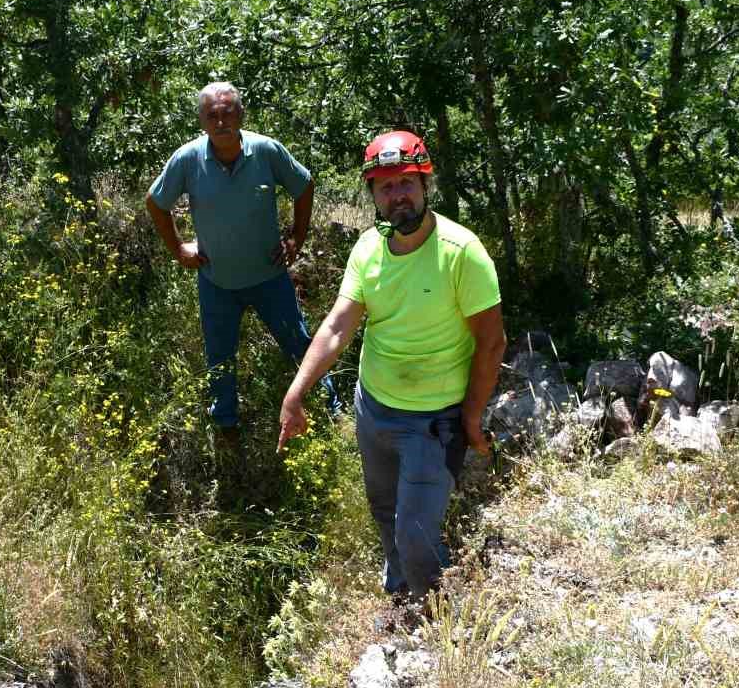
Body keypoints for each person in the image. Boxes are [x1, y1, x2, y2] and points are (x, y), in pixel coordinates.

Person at [277, 130, 506, 601]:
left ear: (425, 185)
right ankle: (402, 595)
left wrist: (471, 418)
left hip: (433, 422)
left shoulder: (461, 253)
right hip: (375, 409)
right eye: (386, 187)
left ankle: (438, 619)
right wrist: (296, 392)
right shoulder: (368, 249)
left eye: (406, 183)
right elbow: (337, 327)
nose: (398, 195)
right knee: (384, 511)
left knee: (416, 538)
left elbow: (491, 343)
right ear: (374, 196)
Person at [146, 82, 335, 442]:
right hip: (216, 282)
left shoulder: (265, 150)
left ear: (241, 115)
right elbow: (156, 202)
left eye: (227, 113)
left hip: (269, 277)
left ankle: (331, 408)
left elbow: (304, 185)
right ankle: (226, 425)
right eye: (212, 116)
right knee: (219, 358)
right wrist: (179, 249)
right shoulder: (188, 159)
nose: (220, 122)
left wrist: (296, 237)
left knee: (299, 342)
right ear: (202, 121)